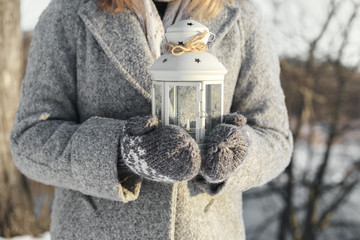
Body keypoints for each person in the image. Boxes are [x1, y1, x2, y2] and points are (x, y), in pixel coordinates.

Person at [9, 0, 293, 239]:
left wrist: (239, 152)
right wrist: (123, 155)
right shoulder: (68, 12)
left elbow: (274, 136)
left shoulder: (243, 15)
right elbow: (30, 137)